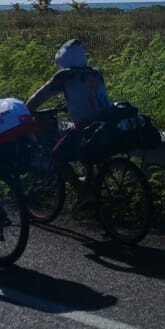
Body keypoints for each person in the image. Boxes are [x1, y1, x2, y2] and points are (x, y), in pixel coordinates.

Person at [25, 38, 114, 205]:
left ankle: (83, 191)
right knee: (86, 152)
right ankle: (91, 189)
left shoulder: (65, 76)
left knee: (56, 156)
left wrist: (24, 109)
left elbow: (40, 96)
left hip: (87, 126)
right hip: (107, 122)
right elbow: (88, 97)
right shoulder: (94, 72)